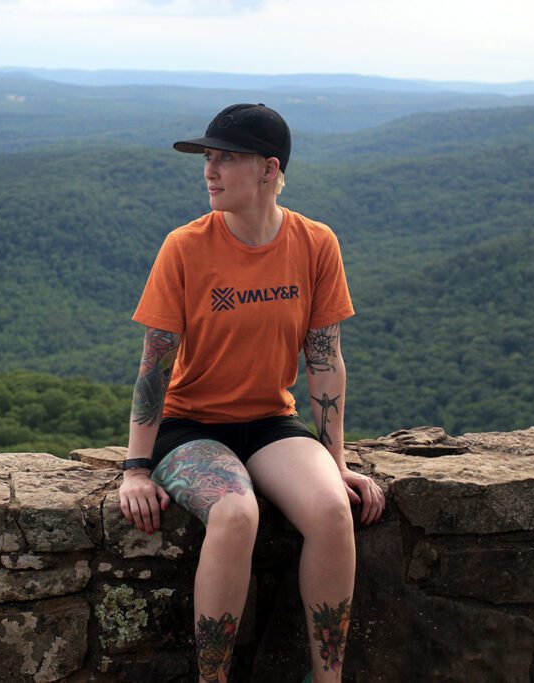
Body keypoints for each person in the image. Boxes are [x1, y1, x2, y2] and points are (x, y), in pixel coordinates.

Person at [118, 103, 386, 683]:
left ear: (269, 169)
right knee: (236, 514)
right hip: (190, 425)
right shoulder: (184, 247)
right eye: (207, 159)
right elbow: (154, 369)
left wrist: (334, 460)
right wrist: (137, 468)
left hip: (270, 420)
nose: (209, 171)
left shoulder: (315, 244)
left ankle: (327, 678)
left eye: (226, 158)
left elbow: (324, 360)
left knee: (333, 512)